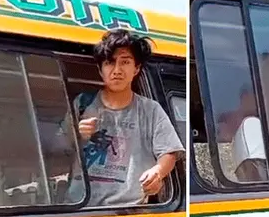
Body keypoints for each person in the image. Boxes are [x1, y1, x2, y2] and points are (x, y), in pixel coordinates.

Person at [73, 29, 185, 206]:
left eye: (125, 62)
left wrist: (158, 172)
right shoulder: (81, 104)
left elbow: (169, 151)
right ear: (100, 70)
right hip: (79, 208)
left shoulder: (150, 110)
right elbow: (56, 150)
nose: (117, 70)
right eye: (110, 63)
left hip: (128, 212)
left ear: (136, 69)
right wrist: (76, 134)